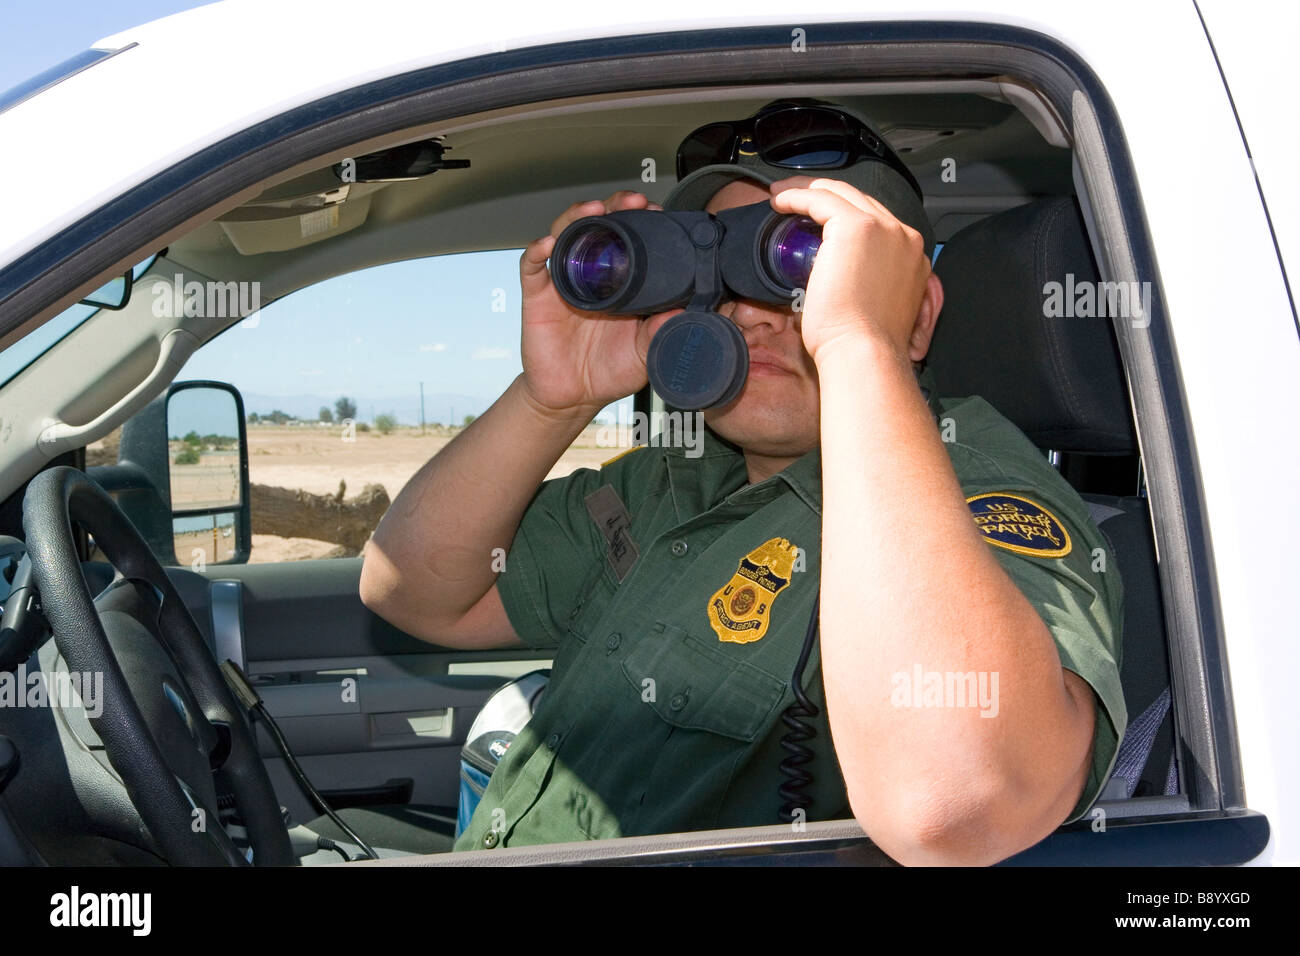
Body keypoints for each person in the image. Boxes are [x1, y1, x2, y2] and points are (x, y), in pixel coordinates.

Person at [359, 100, 1126, 866]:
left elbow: (955, 802)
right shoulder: (676, 476)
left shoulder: (975, 496)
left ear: (916, 317)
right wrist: (549, 399)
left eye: (800, 265)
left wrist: (861, 346)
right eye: (717, 271)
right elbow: (415, 594)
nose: (750, 314)